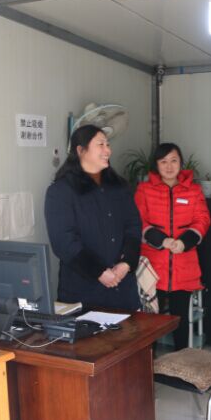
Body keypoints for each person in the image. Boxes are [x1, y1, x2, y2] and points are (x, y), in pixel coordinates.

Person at [44, 124, 142, 311]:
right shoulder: (61, 191)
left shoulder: (119, 187)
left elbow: (133, 226)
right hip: (83, 292)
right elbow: (64, 242)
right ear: (81, 150)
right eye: (101, 144)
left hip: (123, 290)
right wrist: (99, 271)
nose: (108, 150)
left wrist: (127, 263)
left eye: (108, 144)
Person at [134, 143, 211, 350]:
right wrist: (162, 241)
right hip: (152, 267)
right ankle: (149, 363)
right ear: (156, 165)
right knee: (150, 322)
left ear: (181, 163)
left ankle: (181, 364)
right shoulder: (144, 190)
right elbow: (138, 221)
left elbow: (202, 220)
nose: (169, 166)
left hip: (183, 265)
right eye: (163, 161)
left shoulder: (194, 190)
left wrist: (184, 242)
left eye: (174, 161)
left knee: (180, 320)